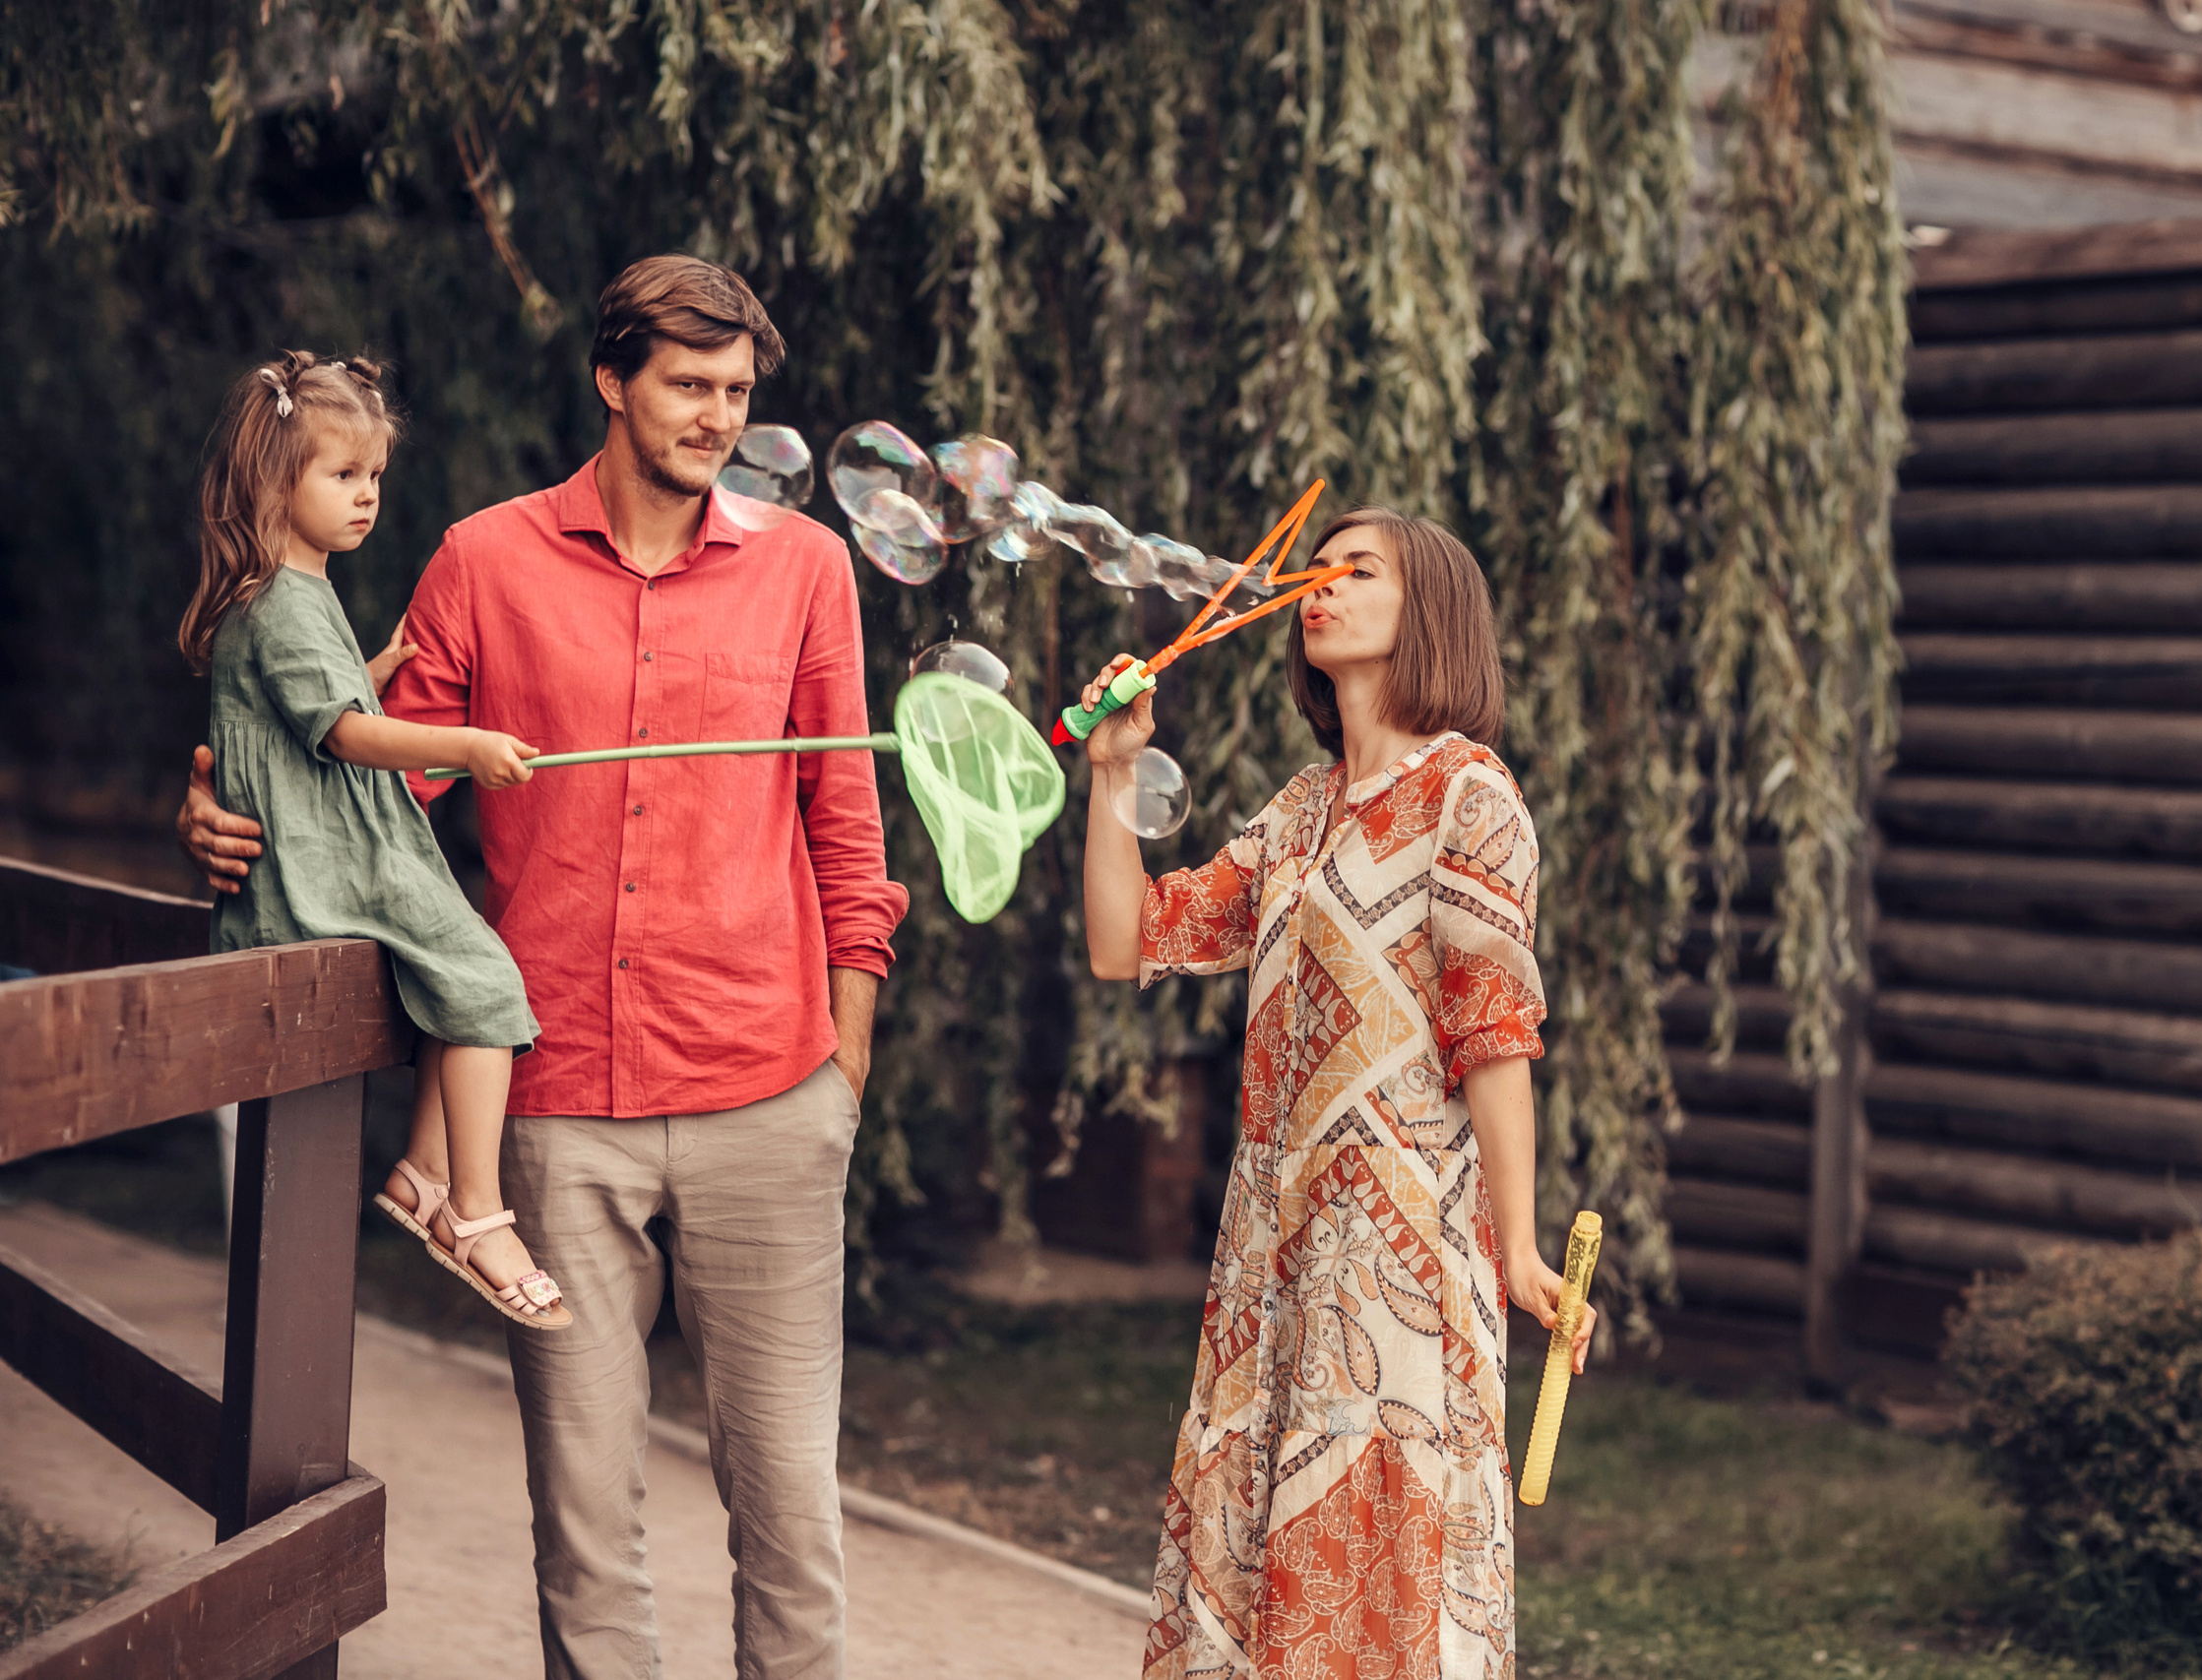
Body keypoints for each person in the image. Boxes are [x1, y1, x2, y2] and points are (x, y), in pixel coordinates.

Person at [178, 257, 908, 1678]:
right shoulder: (484, 558)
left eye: (738, 394)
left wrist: (848, 1044)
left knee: (794, 1512)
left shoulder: (808, 569)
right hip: (557, 1109)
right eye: (687, 385)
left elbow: (846, 816)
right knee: (583, 1520)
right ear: (611, 380)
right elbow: (371, 789)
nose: (713, 416)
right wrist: (215, 810)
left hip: (772, 1093)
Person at [1078, 507, 1599, 1679]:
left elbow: (1496, 1034)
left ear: (1433, 615)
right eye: (1317, 569)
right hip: (1271, 1244)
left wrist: (1515, 1249)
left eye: (1358, 571)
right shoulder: (1299, 812)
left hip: (1402, 1253)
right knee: (1252, 1556)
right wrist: (1111, 773)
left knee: (1384, 1572)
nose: (1322, 587)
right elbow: (1130, 940)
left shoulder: (1471, 797)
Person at [179, 351, 566, 1329]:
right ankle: (472, 1211)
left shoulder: (288, 594)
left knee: (460, 967)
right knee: (483, 981)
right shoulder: (285, 602)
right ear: (275, 479)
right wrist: (464, 744)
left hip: (325, 860)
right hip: (321, 872)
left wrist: (372, 660)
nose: (366, 498)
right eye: (342, 475)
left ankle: (420, 1174)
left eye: (375, 478)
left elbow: (314, 693)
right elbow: (346, 735)